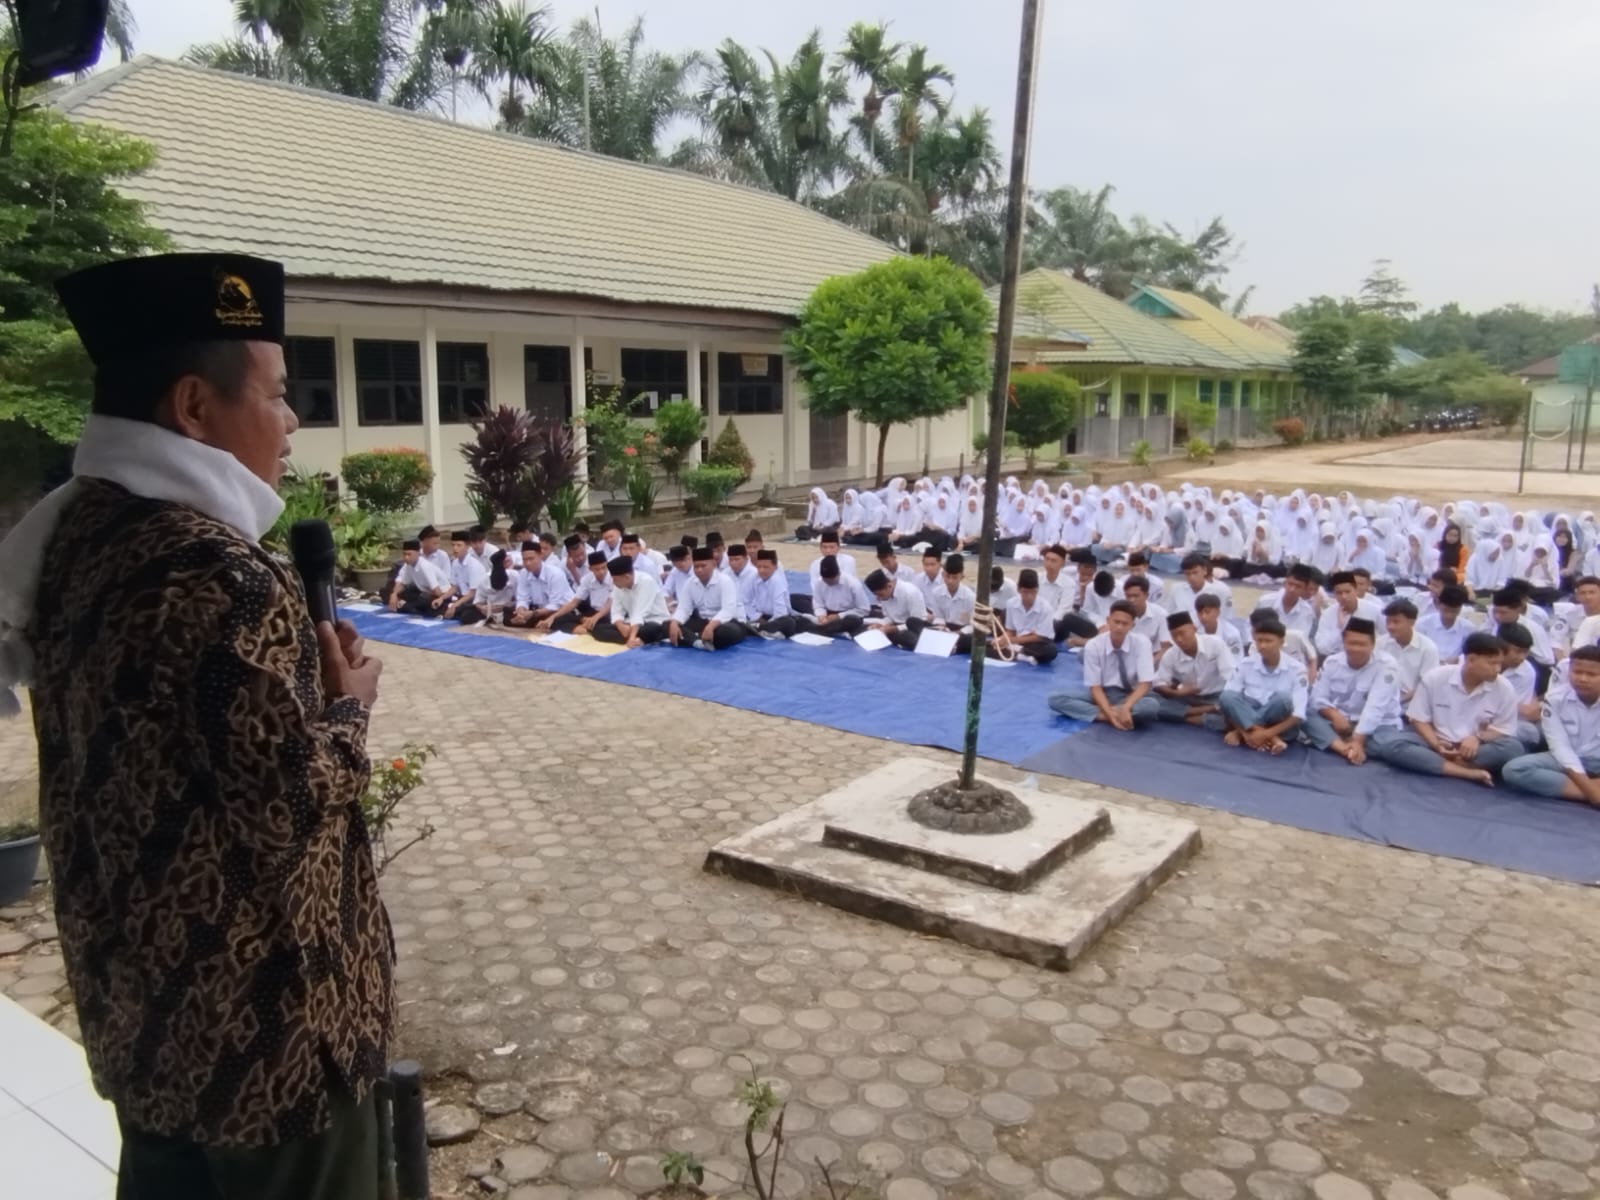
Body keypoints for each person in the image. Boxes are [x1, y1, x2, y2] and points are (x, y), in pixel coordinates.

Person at [3, 252, 390, 1199]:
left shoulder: (77, 537)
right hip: (269, 1047)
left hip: (145, 1024)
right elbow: (287, 809)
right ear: (192, 407)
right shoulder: (220, 570)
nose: (291, 422)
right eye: (278, 394)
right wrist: (348, 708)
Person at [1373, 632, 1522, 786]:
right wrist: (1437, 745)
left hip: (1476, 749)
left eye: (1500, 664)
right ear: (1471, 660)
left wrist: (1477, 738)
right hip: (1437, 741)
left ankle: (1440, 764)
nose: (1498, 669)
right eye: (1492, 663)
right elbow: (1418, 719)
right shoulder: (1436, 677)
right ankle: (1467, 772)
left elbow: (1503, 729)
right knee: (1394, 746)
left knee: (1513, 748)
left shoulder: (1504, 688)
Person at [1502, 646, 1600, 805]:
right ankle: (1588, 792)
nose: (1583, 679)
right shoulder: (1555, 699)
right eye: (1577, 672)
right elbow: (1560, 746)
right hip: (1566, 759)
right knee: (1515, 769)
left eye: (1592, 674)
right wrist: (1590, 791)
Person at [1301, 618, 1403, 764]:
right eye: (1351, 643)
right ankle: (1343, 748)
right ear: (1343, 643)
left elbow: (1375, 707)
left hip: (1378, 725)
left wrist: (1358, 740)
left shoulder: (1387, 665)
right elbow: (1317, 698)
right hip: (1340, 724)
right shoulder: (1332, 662)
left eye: (1362, 644)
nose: (1356, 649)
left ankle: (1344, 744)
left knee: (1389, 747)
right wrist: (1334, 715)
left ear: (1373, 645)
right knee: (1303, 713)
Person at [1047, 600, 1159, 729]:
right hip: (1103, 694)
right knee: (1056, 698)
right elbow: (1095, 687)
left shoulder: (1142, 643)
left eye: (1125, 624)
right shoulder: (1094, 645)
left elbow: (1145, 684)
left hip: (1130, 694)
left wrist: (1127, 707)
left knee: (1151, 706)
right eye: (1116, 622)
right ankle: (1107, 715)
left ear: (1132, 625)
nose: (1119, 627)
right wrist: (1110, 715)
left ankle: (1108, 712)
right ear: (1108, 620)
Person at [1218, 617, 1308, 754]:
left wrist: (1263, 734)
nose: (1263, 646)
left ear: (1281, 642)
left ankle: (1249, 734)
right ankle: (1273, 740)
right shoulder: (1245, 664)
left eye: (1268, 641)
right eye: (1259, 641)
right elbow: (1229, 701)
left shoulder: (1297, 669)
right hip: (1248, 715)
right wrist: (1249, 733)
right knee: (1227, 696)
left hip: (1279, 725)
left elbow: (1298, 714)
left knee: (1283, 699)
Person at [1151, 611, 1234, 724]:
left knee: (1235, 707)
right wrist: (1177, 693)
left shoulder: (1215, 644)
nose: (1179, 639)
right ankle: (1201, 713)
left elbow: (1230, 676)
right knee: (1152, 701)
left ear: (1194, 629)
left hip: (1215, 697)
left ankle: (1187, 716)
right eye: (1174, 636)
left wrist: (1227, 700)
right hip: (1187, 698)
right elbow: (1158, 682)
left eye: (1182, 633)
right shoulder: (1171, 654)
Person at [657, 546, 747, 649]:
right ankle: (698, 642)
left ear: (713, 564)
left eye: (703, 566)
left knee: (723, 633)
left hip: (728, 622)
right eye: (696, 567)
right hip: (704, 621)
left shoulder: (725, 581)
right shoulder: (690, 582)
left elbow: (728, 610)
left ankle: (692, 638)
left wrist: (711, 626)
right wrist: (675, 622)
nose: (699, 570)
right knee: (667, 625)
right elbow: (684, 608)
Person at [593, 556, 671, 646]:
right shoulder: (618, 586)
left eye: (615, 580)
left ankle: (634, 639)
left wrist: (631, 638)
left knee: (650, 630)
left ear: (627, 577)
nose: (613, 582)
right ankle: (639, 640)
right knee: (598, 629)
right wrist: (621, 626)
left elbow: (639, 613)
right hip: (631, 622)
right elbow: (616, 611)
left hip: (653, 621)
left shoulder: (646, 581)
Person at [1379, 597, 1439, 703]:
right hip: (1382, 699)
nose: (1390, 626)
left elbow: (1426, 685)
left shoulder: (1427, 648)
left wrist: (1399, 701)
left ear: (1411, 622)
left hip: (1413, 703)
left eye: (1396, 622)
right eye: (1388, 621)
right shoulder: (1380, 644)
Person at [1312, 570, 1384, 658]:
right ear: (1334, 594)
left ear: (1356, 590)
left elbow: (1387, 636)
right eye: (1339, 593)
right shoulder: (1328, 614)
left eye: (1347, 592)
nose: (1344, 596)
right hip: (1338, 659)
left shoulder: (1374, 609)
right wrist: (1340, 628)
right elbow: (1322, 648)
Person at [1495, 622, 1544, 747]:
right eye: (1517, 652)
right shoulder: (1480, 661)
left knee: (1529, 731)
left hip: (1504, 723)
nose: (1522, 657)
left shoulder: (1527, 671)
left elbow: (1515, 711)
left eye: (1525, 652)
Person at [508, 539, 574, 627]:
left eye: (531, 559)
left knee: (558, 621)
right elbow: (522, 598)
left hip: (559, 611)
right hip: (537, 610)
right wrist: (521, 611)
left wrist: (533, 614)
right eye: (524, 560)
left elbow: (556, 605)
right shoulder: (524, 573)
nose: (527, 563)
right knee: (509, 615)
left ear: (540, 556)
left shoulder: (555, 574)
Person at [802, 555, 872, 638]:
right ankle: (827, 629)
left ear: (838, 574)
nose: (829, 583)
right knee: (796, 600)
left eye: (832, 580)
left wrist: (838, 616)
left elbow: (864, 609)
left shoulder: (853, 584)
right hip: (827, 614)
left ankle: (819, 629)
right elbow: (818, 604)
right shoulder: (819, 582)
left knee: (853, 620)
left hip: (846, 615)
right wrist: (821, 616)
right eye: (826, 581)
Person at [543, 550, 612, 633]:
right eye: (597, 569)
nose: (601, 572)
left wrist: (594, 619)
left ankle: (583, 628)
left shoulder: (613, 578)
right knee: (557, 620)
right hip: (592, 612)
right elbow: (574, 603)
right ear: (590, 569)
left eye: (604, 568)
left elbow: (609, 604)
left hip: (607, 614)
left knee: (603, 630)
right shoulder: (587, 579)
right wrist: (553, 617)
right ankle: (579, 628)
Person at [1002, 569, 1059, 665]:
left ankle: (1015, 651)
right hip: (1018, 640)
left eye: (1033, 592)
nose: (1029, 596)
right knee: (989, 645)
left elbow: (1040, 637)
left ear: (1038, 589)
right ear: (1018, 589)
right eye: (1025, 592)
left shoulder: (1045, 608)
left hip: (1036, 642)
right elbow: (1011, 631)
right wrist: (1002, 639)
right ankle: (1020, 654)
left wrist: (1011, 640)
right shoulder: (1011, 603)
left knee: (1051, 651)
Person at [865, 567, 929, 650]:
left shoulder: (910, 592)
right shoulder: (885, 594)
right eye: (876, 595)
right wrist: (881, 625)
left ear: (889, 586)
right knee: (864, 628)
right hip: (896, 627)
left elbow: (918, 623)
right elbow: (890, 618)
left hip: (913, 628)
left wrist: (891, 629)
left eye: (880, 595)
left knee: (906, 635)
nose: (878, 598)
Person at [927, 553, 977, 652]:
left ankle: (954, 646)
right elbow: (938, 617)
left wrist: (956, 633)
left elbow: (972, 625)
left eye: (954, 577)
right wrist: (942, 629)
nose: (950, 581)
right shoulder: (936, 593)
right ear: (942, 574)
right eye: (947, 576)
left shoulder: (970, 597)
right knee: (915, 623)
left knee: (971, 640)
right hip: (944, 630)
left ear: (961, 576)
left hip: (962, 632)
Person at [745, 549, 799, 639]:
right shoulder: (754, 578)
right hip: (760, 617)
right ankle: (757, 628)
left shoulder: (776, 581)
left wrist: (767, 623)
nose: (761, 570)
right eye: (759, 567)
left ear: (775, 567)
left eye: (766, 567)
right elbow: (746, 601)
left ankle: (757, 628)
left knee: (788, 623)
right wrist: (756, 617)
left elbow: (780, 613)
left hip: (776, 619)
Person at [388, 537, 451, 614]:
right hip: (423, 592)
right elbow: (402, 582)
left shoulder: (425, 566)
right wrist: (394, 594)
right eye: (404, 554)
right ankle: (407, 605)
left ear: (418, 553)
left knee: (423, 600)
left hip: (441, 595)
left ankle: (407, 606)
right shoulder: (408, 565)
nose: (406, 557)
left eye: (409, 554)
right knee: (393, 590)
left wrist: (440, 599)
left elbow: (436, 591)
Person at [1166, 553, 1234, 623]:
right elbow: (1169, 614)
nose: (1191, 577)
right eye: (1187, 574)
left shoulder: (1220, 591)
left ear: (1204, 571)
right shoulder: (1176, 589)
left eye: (1195, 572)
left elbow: (1226, 618)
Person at [1261, 563, 1322, 640]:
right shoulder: (1265, 602)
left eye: (1298, 586)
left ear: (1305, 589)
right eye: (1290, 584)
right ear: (1284, 583)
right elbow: (1253, 629)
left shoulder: (1307, 611)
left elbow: (1302, 639)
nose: (1292, 589)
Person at [1417, 583, 1473, 662]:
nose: (1449, 615)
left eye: (1454, 611)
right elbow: (1417, 650)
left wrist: (1457, 659)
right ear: (1439, 604)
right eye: (1446, 610)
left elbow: (1471, 652)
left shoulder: (1468, 628)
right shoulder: (1422, 624)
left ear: (1460, 608)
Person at [442, 529, 488, 624]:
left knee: (465, 616)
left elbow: (472, 594)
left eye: (459, 545)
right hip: (462, 597)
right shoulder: (455, 563)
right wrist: (441, 598)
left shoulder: (473, 565)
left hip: (476, 600)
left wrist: (454, 605)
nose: (455, 548)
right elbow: (455, 587)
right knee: (437, 604)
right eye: (453, 545)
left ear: (467, 546)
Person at [1119, 575, 1170, 659]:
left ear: (1146, 595)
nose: (1132, 600)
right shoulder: (1119, 614)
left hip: (1152, 659)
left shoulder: (1161, 614)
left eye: (1136, 596)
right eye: (1128, 596)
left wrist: (1148, 664)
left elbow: (1165, 647)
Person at [478, 549, 518, 626]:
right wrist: (482, 608)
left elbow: (520, 599)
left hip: (508, 608)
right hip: (490, 609)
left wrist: (504, 606)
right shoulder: (485, 578)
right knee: (467, 616)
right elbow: (478, 601)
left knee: (509, 619)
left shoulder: (514, 576)